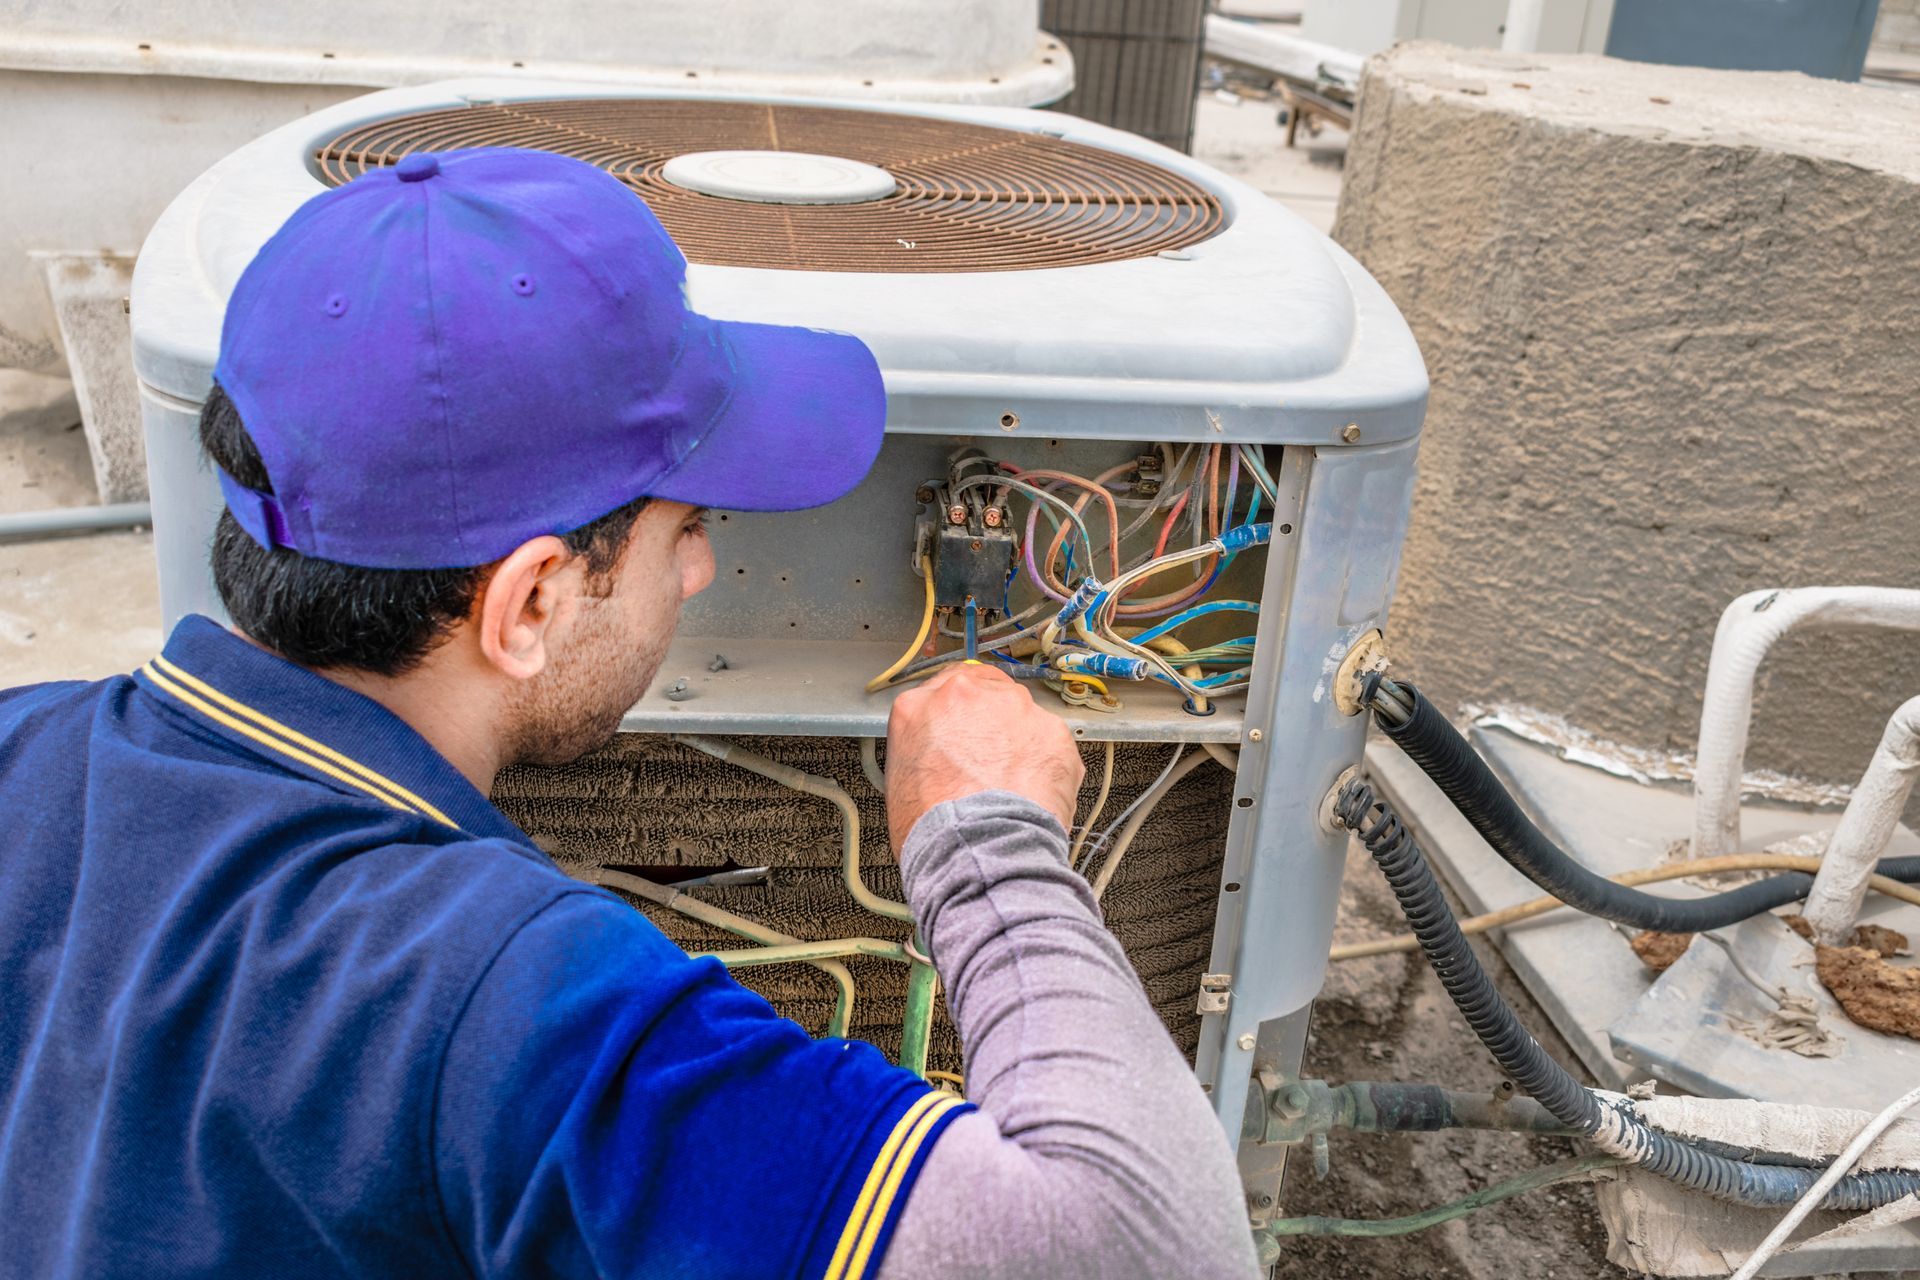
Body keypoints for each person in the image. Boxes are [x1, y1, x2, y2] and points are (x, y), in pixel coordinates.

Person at [0, 148, 1256, 1279]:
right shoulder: (509, 999)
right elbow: (1146, 1245)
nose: (702, 570)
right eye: (689, 525)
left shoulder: (22, 748)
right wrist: (989, 842)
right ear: (530, 598)